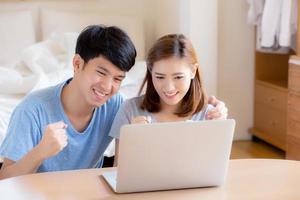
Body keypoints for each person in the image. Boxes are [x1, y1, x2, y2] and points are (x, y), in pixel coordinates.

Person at [0, 26, 226, 179]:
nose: (107, 87)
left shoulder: (116, 105)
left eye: (118, 78)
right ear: (77, 64)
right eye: (101, 72)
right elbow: (4, 180)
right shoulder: (32, 109)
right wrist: (39, 152)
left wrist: (217, 113)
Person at [109, 34, 228, 165]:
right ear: (150, 71)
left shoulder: (210, 115)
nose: (169, 88)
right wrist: (132, 141)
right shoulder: (129, 110)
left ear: (193, 71)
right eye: (160, 77)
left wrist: (219, 129)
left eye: (178, 77)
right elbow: (117, 171)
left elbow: (215, 169)